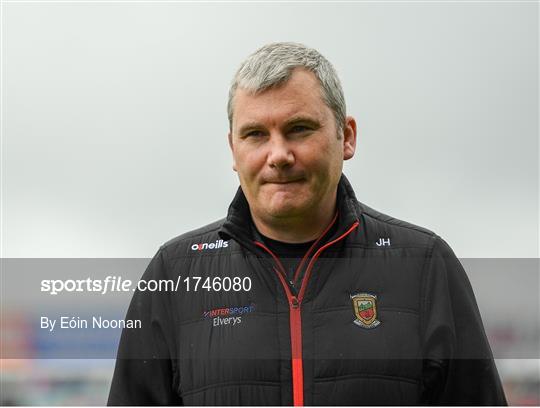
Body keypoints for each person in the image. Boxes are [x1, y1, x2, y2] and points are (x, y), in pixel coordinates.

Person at [108, 42, 507, 406]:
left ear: (346, 137)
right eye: (255, 134)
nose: (278, 154)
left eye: (299, 129)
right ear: (233, 148)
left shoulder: (424, 265)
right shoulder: (175, 274)